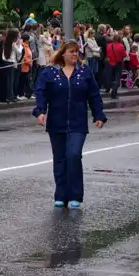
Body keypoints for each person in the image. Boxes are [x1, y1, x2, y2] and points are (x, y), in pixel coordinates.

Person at [33, 40, 106, 208]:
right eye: (71, 51)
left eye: (76, 51)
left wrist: (98, 115)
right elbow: (41, 92)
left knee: (73, 155)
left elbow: (94, 95)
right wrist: (41, 111)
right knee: (60, 159)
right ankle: (61, 194)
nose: (75, 54)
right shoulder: (50, 73)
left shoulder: (84, 71)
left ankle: (75, 195)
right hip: (56, 123)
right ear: (63, 53)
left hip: (77, 123)